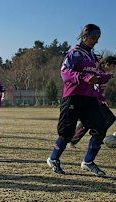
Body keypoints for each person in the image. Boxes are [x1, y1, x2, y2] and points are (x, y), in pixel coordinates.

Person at [47, 24, 110, 176]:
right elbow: (65, 73)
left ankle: (88, 162)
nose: (96, 41)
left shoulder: (91, 56)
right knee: (67, 132)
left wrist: (102, 78)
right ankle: (53, 159)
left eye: (98, 38)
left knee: (100, 127)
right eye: (93, 38)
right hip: (73, 97)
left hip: (89, 98)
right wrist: (84, 77)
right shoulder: (75, 53)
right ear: (84, 36)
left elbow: (92, 76)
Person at [69, 56, 116, 147]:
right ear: (107, 64)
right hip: (92, 102)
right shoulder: (98, 75)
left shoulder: (103, 74)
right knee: (88, 123)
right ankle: (72, 140)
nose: (114, 67)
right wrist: (104, 99)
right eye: (114, 65)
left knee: (109, 118)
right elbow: (94, 92)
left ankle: (97, 137)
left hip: (98, 102)